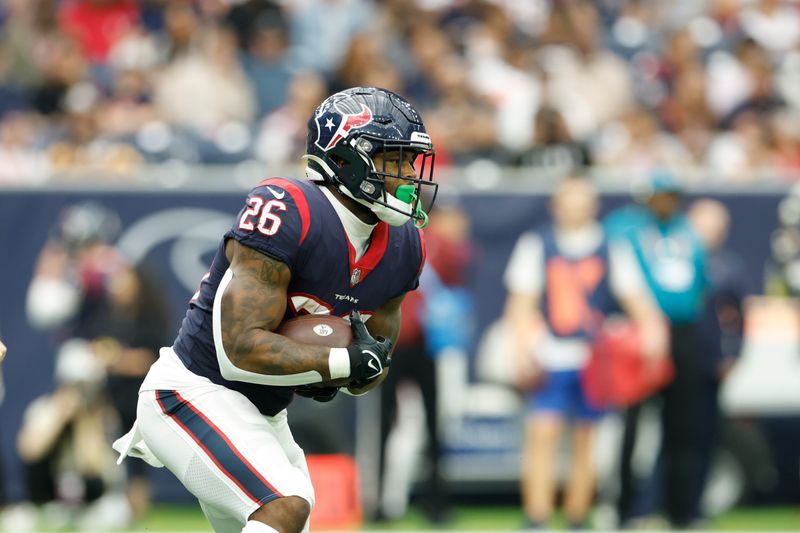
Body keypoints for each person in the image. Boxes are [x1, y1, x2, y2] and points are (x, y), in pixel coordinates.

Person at [113, 86, 438, 533]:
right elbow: (239, 348)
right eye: (392, 159)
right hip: (193, 389)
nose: (405, 176)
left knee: (288, 517)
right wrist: (334, 362)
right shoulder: (290, 209)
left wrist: (343, 371)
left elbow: (372, 367)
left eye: (409, 162)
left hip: (262, 412)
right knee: (284, 506)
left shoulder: (404, 246)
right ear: (344, 158)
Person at [502, 176, 667, 530]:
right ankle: (538, 515)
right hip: (550, 353)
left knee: (586, 438)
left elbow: (636, 297)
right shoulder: (538, 244)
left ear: (593, 206)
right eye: (568, 200)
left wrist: (653, 332)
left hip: (594, 357)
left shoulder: (610, 246)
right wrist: (521, 347)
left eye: (581, 200)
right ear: (555, 205)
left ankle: (578, 515)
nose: (574, 208)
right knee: (541, 435)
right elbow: (521, 302)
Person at [605, 170, 707, 529]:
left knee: (682, 426)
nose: (667, 202)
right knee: (631, 426)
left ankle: (682, 509)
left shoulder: (687, 231)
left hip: (681, 333)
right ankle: (624, 508)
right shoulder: (624, 226)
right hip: (639, 333)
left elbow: (698, 281)